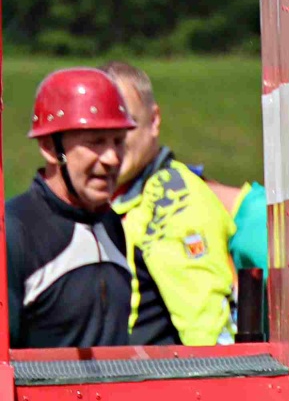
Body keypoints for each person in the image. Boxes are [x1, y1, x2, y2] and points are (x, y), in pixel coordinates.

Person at [6, 67, 174, 348]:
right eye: (95, 142)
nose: (111, 158)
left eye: (118, 142)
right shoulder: (14, 233)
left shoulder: (111, 224)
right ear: (49, 147)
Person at [100, 62, 237, 345]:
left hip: (154, 382)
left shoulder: (175, 202)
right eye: (103, 130)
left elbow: (207, 331)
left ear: (154, 121)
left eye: (127, 126)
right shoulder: (108, 197)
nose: (115, 144)